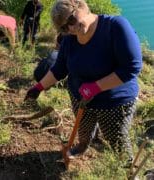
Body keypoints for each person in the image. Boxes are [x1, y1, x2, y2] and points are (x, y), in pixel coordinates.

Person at [25, 0, 142, 166]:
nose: (71, 28)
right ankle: (82, 146)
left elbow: (132, 67)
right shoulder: (69, 39)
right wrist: (38, 87)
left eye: (71, 20)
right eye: (64, 28)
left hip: (114, 101)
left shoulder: (115, 27)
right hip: (80, 96)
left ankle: (127, 169)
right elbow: (59, 69)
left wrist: (96, 87)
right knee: (84, 128)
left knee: (115, 137)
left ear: (82, 7)